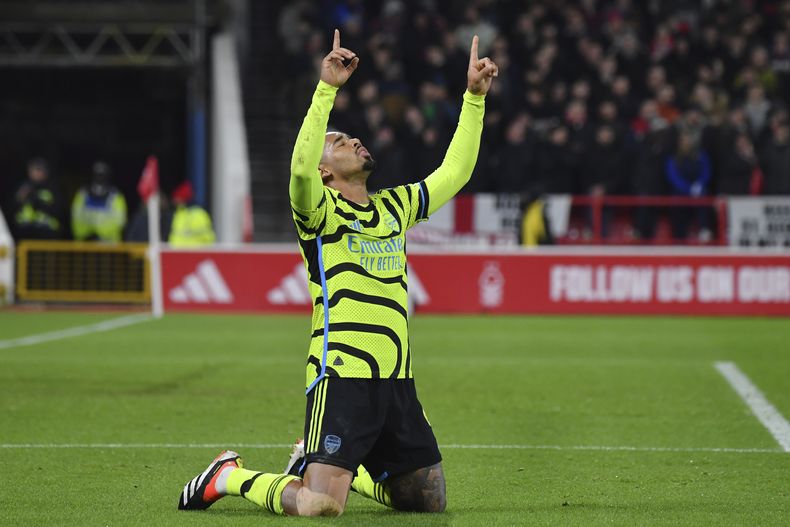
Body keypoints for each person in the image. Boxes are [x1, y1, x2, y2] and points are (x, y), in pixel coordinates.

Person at [178, 29, 497, 517]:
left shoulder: (396, 207)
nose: (353, 140)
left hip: (396, 378)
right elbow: (300, 170)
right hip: (342, 375)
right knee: (320, 506)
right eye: (339, 142)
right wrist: (326, 90)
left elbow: (455, 172)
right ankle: (229, 476)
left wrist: (473, 99)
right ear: (325, 172)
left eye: (351, 137)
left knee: (428, 501)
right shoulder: (318, 212)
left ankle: (341, 465)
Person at [71, 161, 127, 242]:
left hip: (109, 246)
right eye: (97, 175)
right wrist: (86, 234)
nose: (99, 179)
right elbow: (76, 218)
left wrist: (101, 234)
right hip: (85, 245)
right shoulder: (82, 194)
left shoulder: (116, 196)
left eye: (102, 175)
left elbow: (120, 221)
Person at [10, 158, 62, 240]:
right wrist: (21, 199)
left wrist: (38, 201)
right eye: (35, 170)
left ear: (45, 173)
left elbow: (59, 211)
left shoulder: (52, 189)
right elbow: (12, 209)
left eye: (40, 170)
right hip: (24, 232)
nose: (37, 173)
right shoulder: (23, 188)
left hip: (46, 232)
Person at [167, 181, 215, 247]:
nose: (174, 201)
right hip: (178, 253)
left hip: (196, 254)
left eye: (177, 198)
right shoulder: (179, 213)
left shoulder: (199, 214)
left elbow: (208, 238)